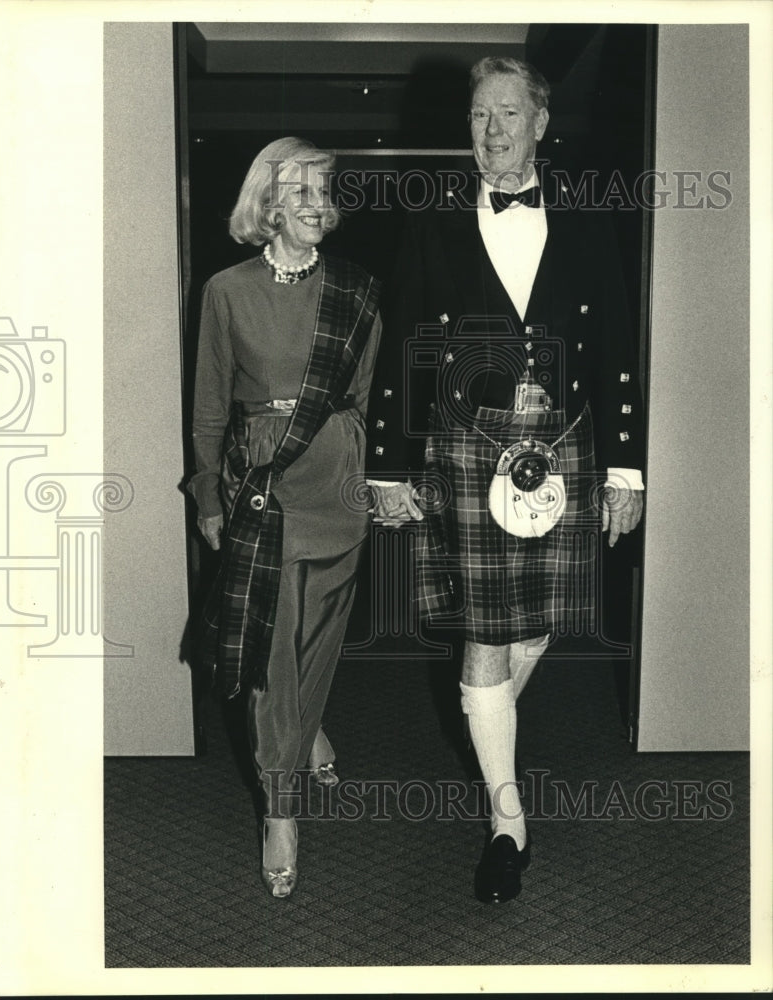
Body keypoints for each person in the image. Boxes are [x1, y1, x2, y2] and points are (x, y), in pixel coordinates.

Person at [366, 56, 644, 903]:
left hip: (565, 444)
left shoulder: (592, 223)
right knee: (486, 634)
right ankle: (505, 819)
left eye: (509, 114)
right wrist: (387, 465)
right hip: (464, 445)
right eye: (480, 116)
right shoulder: (432, 224)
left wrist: (627, 467)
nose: (493, 131)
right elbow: (402, 343)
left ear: (540, 124)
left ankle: (482, 722)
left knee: (540, 624)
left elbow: (620, 352)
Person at [189, 137, 381, 899]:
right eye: (298, 191)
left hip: (334, 476)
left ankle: (308, 729)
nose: (316, 205)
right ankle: (281, 807)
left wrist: (369, 478)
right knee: (271, 650)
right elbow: (208, 406)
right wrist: (208, 491)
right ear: (265, 202)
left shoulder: (359, 289)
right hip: (261, 486)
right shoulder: (225, 291)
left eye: (323, 190)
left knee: (319, 634)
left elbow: (366, 399)